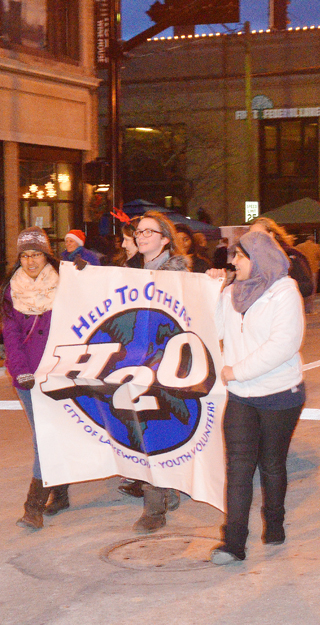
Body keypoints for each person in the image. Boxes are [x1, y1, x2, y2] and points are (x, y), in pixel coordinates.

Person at [207, 230, 305, 565]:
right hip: (242, 397)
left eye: (240, 256)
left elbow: (284, 344)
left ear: (259, 258)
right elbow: (213, 331)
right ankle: (233, 542)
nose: (232, 261)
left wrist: (237, 371)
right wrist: (214, 291)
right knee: (238, 467)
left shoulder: (285, 292)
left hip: (280, 393)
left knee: (272, 463)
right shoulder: (232, 293)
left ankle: (274, 522)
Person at [2, 227, 68, 529]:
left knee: (60, 432)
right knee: (44, 437)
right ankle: (34, 507)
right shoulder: (11, 289)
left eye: (36, 255)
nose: (30, 262)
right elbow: (11, 335)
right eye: (25, 255)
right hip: (28, 375)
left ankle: (60, 493)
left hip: (59, 372)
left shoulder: (66, 284)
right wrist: (20, 370)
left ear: (46, 255)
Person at [127, 211, 187, 532]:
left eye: (149, 231)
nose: (141, 236)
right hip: (134, 362)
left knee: (156, 431)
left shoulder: (178, 272)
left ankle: (154, 507)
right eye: (138, 232)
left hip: (165, 364)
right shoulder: (128, 271)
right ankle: (167, 489)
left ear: (165, 239)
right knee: (140, 430)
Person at [250, 217, 314, 299]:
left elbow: (307, 287)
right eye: (251, 235)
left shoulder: (290, 255)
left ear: (271, 234)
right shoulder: (251, 257)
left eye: (258, 234)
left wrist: (278, 288)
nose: (253, 239)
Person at [295, 234, 320, 314]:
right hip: (313, 269)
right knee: (312, 288)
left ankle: (302, 307)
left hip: (303, 269)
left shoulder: (299, 246)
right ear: (313, 240)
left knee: (302, 287)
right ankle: (310, 308)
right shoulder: (316, 246)